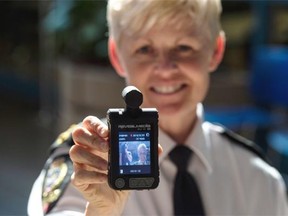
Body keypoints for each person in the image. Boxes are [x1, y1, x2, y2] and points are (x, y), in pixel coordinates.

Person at [28, 0, 288, 215]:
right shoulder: (88, 168)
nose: (165, 69)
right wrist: (100, 212)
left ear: (215, 51)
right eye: (144, 49)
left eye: (184, 47)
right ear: (117, 56)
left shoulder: (258, 179)